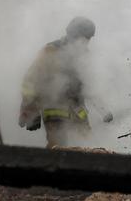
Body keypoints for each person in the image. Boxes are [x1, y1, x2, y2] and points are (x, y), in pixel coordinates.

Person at [19, 16, 96, 148]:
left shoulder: (84, 55)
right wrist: (31, 111)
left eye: (88, 39)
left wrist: (103, 109)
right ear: (74, 35)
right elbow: (30, 81)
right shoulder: (51, 51)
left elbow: (88, 85)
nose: (86, 43)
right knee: (59, 152)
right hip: (55, 113)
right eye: (84, 38)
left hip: (79, 115)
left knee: (88, 150)